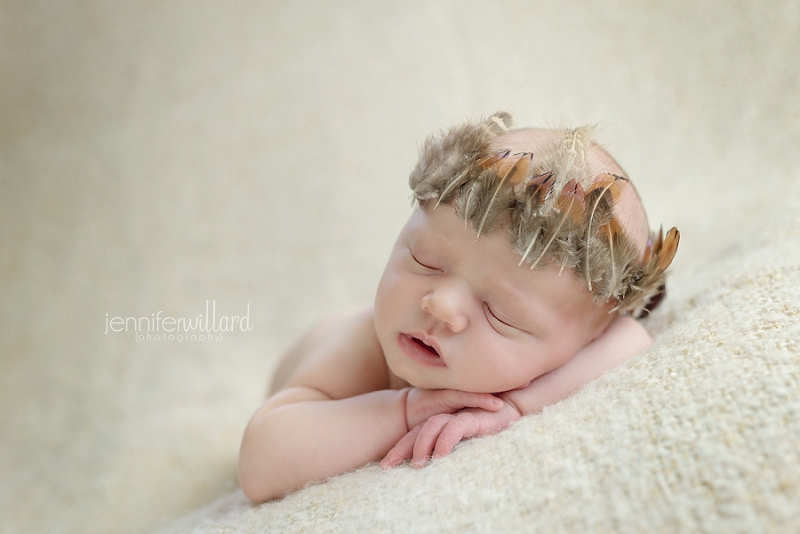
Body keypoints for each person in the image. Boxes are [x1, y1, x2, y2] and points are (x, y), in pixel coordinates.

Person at [238, 112, 680, 502]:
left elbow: (630, 338)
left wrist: (516, 407)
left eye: (500, 313)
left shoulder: (588, 337)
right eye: (423, 260)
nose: (442, 304)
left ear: (579, 343)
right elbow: (262, 459)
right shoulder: (360, 343)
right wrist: (404, 410)